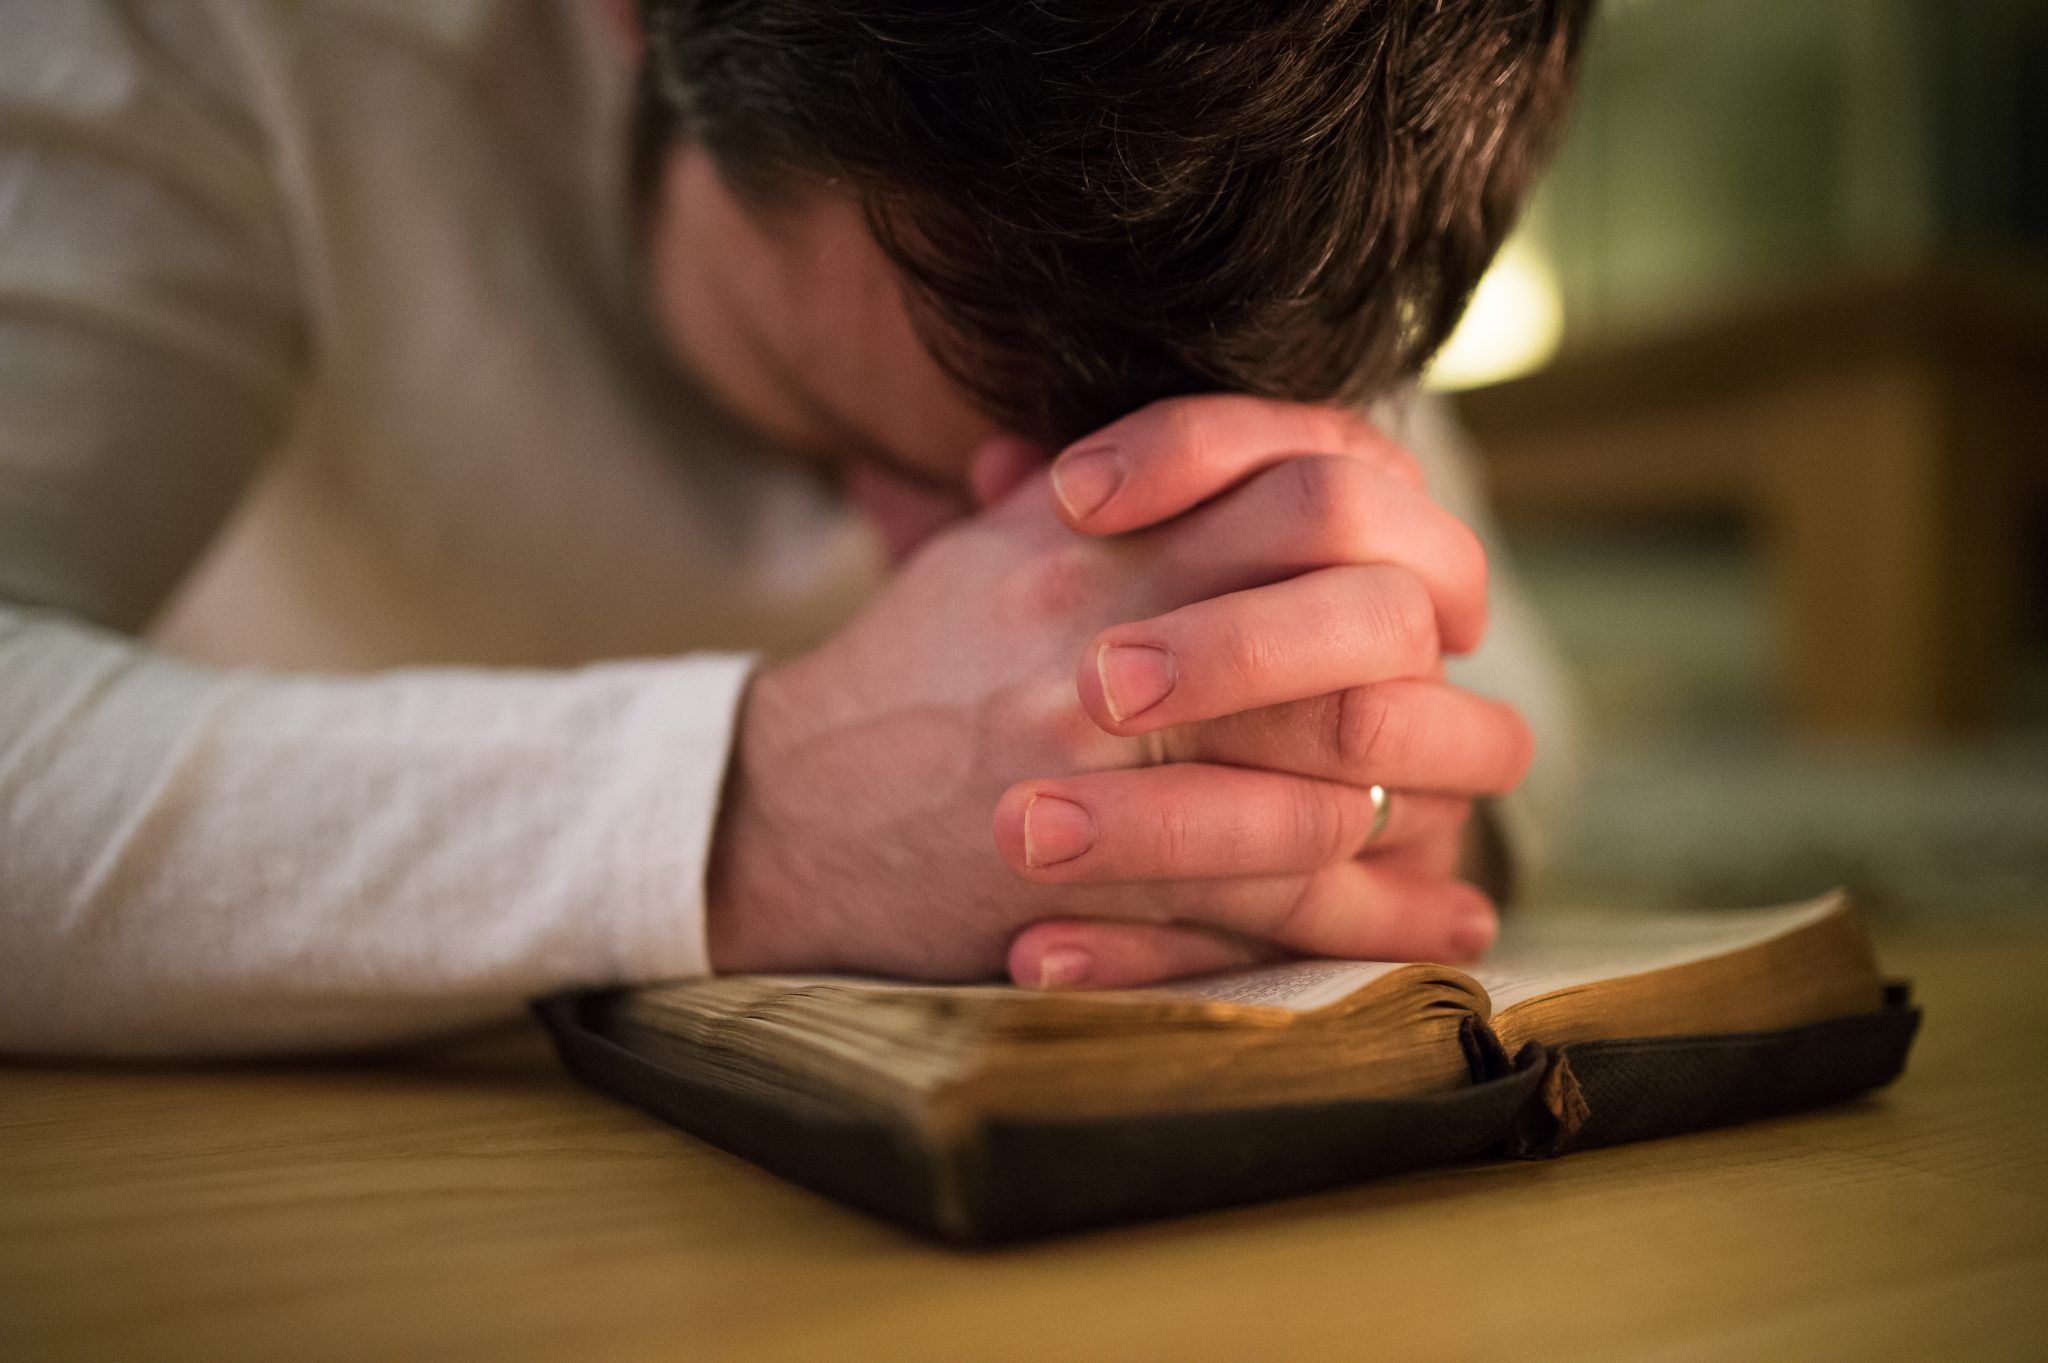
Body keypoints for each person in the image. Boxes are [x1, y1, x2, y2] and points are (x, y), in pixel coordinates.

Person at [0, 0, 1588, 1055]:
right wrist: (750, 814)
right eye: (836, 419)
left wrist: (1345, 788)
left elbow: (1511, 682)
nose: (1018, 580)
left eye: (1135, 482)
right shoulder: (211, 37)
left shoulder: (1293, 132)